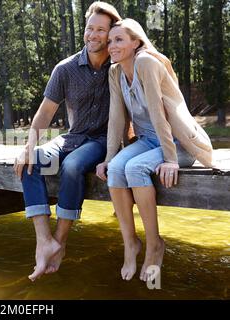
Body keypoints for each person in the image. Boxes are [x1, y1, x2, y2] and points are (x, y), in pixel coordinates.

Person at [95, 19, 213, 282]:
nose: (111, 45)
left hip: (178, 142)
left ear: (136, 42)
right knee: (115, 169)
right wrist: (108, 157)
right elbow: (116, 118)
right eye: (110, 40)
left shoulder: (146, 63)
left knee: (135, 168)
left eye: (119, 39)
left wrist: (171, 159)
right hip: (149, 141)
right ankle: (130, 244)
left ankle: (154, 244)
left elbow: (160, 115)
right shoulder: (114, 72)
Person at [13, 1, 122, 282]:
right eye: (90, 28)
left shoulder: (120, 66)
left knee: (72, 166)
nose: (93, 35)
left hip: (101, 140)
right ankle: (43, 239)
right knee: (33, 160)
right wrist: (27, 147)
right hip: (73, 137)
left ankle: (60, 242)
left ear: (110, 34)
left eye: (101, 30)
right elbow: (45, 112)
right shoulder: (66, 68)